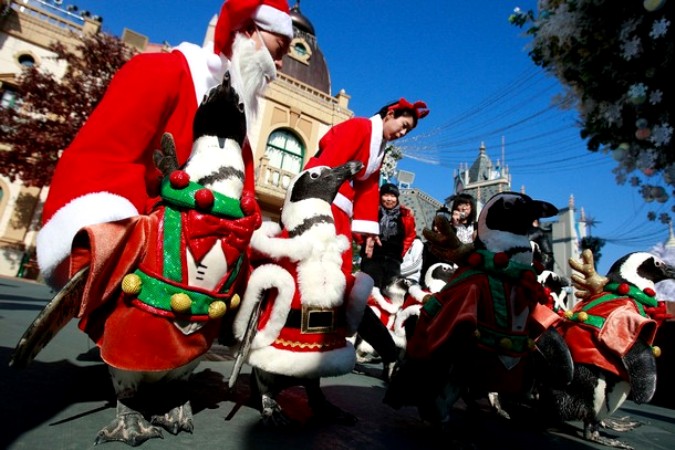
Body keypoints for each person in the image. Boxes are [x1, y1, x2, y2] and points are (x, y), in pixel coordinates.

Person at [36, 0, 294, 289]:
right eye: (279, 49)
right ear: (249, 31)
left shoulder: (239, 136)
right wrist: (129, 247)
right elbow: (100, 164)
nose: (280, 64)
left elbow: (243, 207)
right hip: (143, 277)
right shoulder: (160, 72)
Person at [303, 98, 429, 273]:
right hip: (320, 202)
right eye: (403, 125)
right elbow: (328, 165)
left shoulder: (379, 149)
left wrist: (368, 231)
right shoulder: (359, 126)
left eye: (406, 131)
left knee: (338, 264)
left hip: (337, 205)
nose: (402, 133)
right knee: (313, 260)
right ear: (390, 114)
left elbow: (368, 187)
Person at [356, 182, 417, 381]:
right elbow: (358, 228)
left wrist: (401, 253)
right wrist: (363, 242)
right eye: (386, 195)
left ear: (398, 198)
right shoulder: (372, 211)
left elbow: (410, 235)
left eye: (393, 196)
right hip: (372, 258)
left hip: (392, 261)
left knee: (391, 301)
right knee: (368, 296)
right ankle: (360, 344)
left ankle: (387, 350)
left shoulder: (405, 215)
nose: (389, 199)